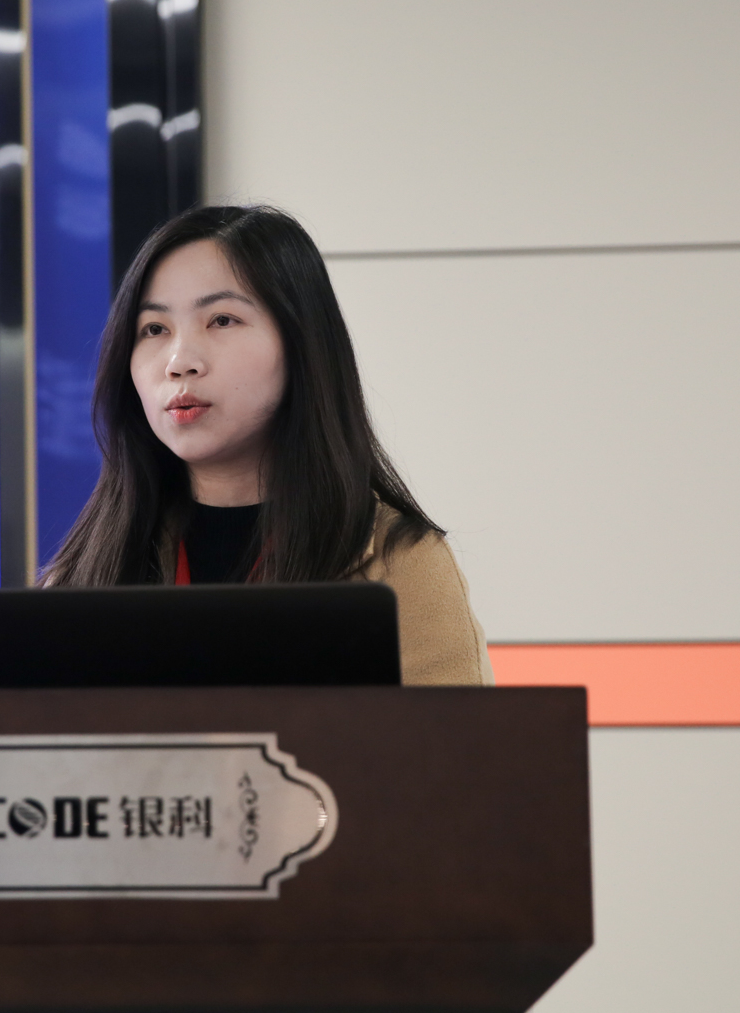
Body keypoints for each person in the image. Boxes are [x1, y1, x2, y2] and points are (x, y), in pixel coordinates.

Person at [40, 204, 495, 686]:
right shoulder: (85, 570)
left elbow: (450, 737)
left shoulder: (399, 561)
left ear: (301, 343)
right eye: (154, 329)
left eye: (221, 320)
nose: (179, 361)